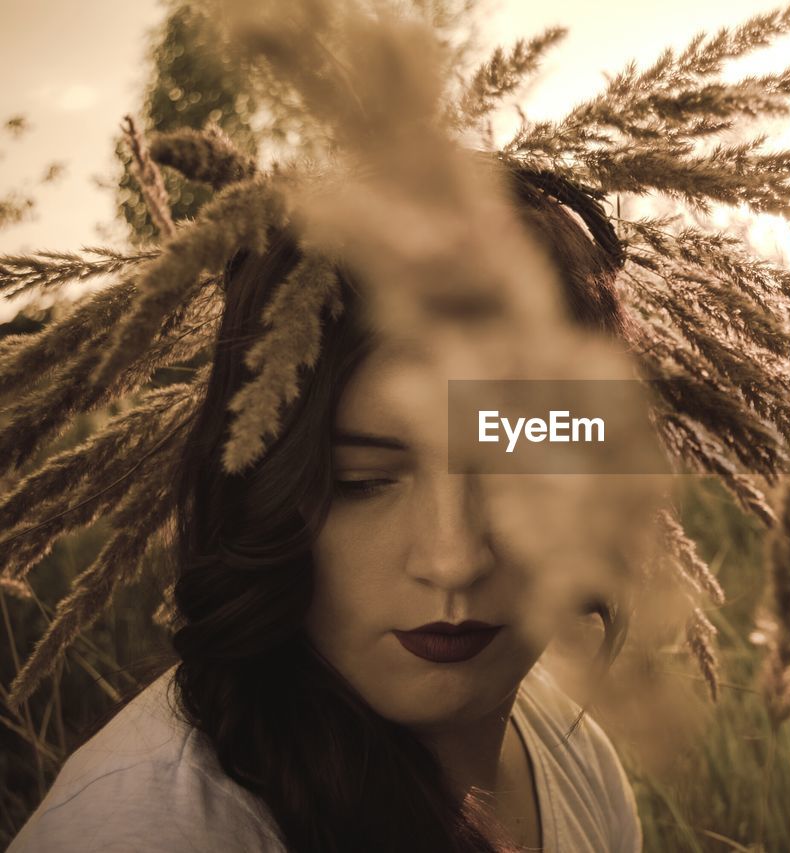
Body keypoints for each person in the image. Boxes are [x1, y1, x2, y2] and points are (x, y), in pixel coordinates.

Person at [9, 172, 644, 853]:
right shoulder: (152, 828)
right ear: (265, 492)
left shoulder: (579, 760)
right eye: (361, 480)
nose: (453, 556)